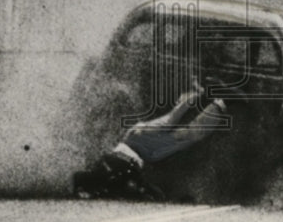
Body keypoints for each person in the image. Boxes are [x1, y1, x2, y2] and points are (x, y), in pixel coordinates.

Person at [73, 77, 237, 199]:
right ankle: (206, 94)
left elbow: (80, 177)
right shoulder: (110, 179)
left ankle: (216, 99)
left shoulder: (109, 178)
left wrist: (80, 191)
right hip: (136, 140)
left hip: (139, 148)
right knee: (175, 124)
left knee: (184, 131)